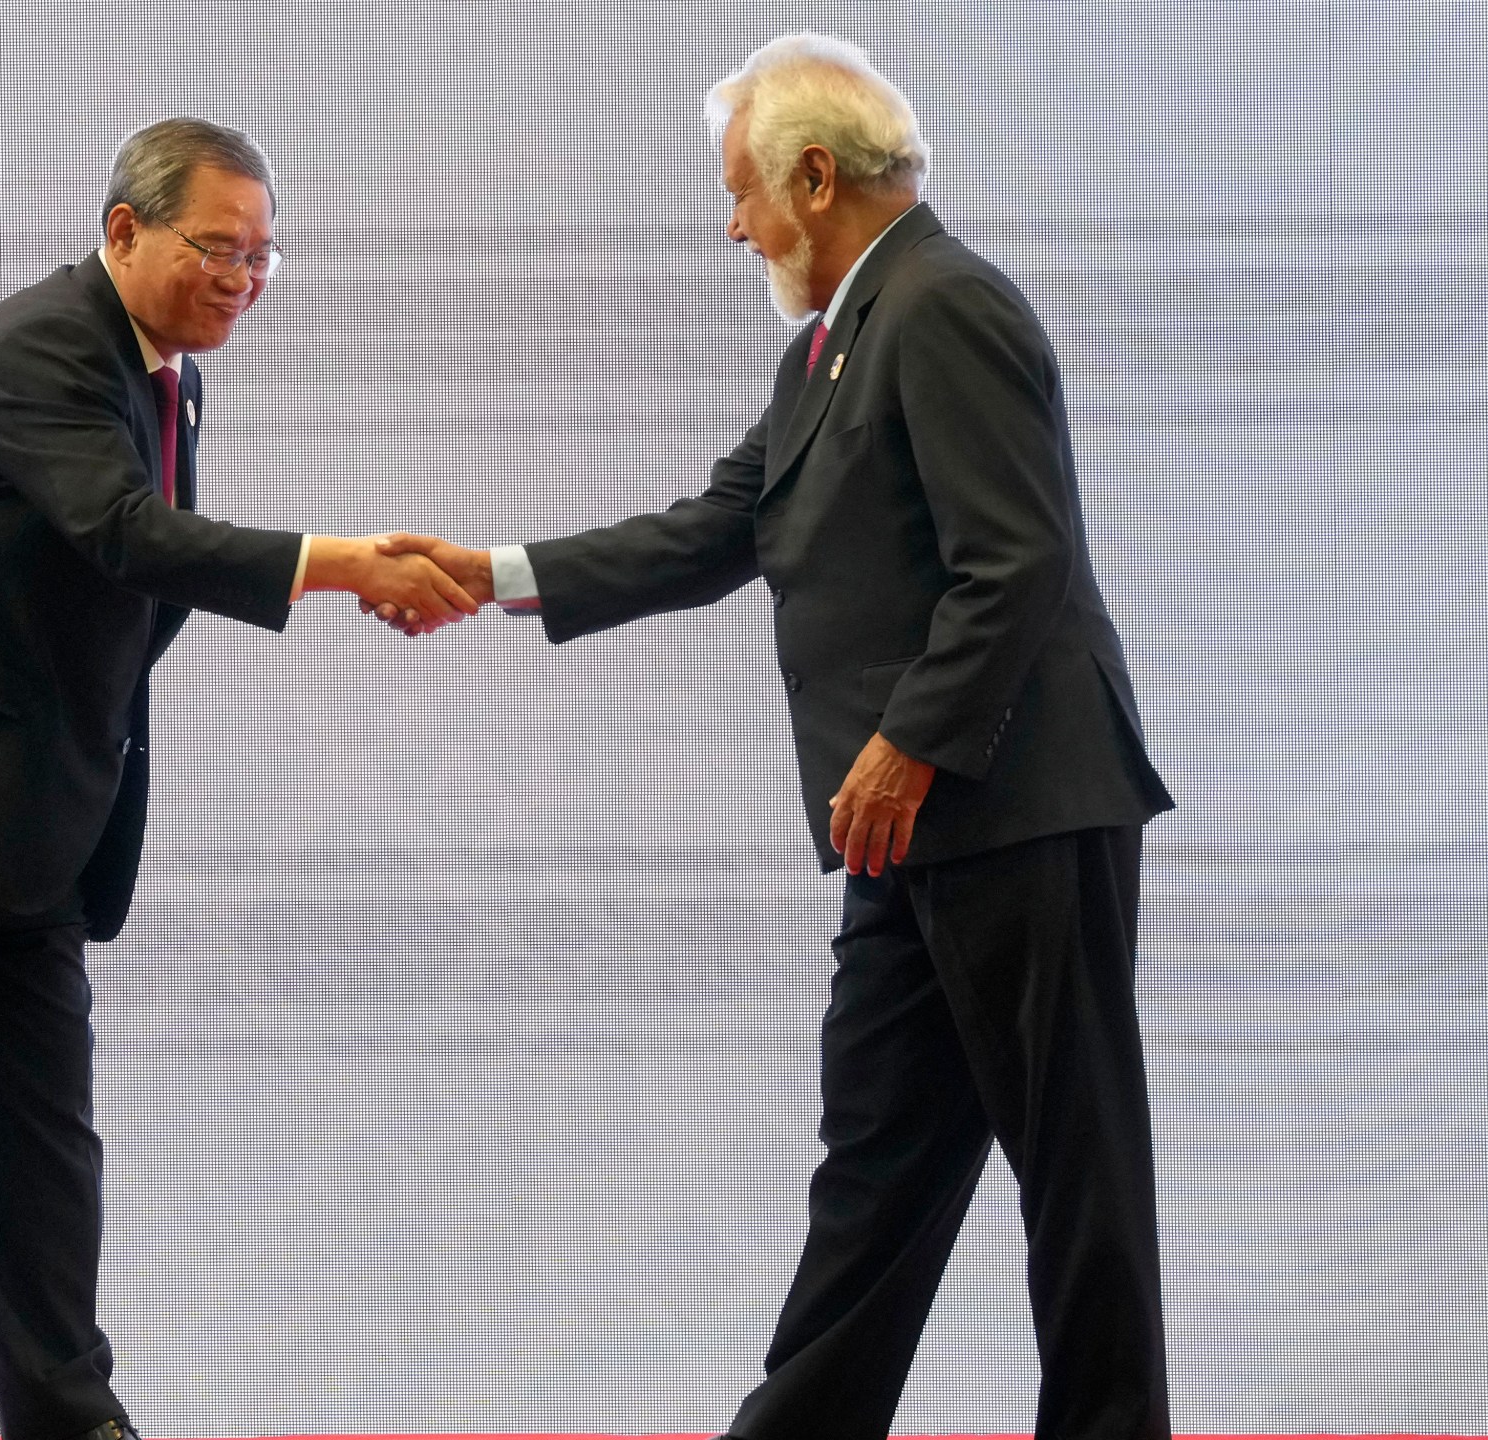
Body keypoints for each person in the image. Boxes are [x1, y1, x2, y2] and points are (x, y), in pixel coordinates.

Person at [377, 34, 1177, 1440]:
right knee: (874, 1170)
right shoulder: (827, 348)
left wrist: (908, 741)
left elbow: (1019, 558)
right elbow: (719, 527)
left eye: (741, 189)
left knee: (1078, 1175)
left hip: (1015, 807)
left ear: (816, 175)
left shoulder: (943, 303)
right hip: (908, 832)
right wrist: (491, 572)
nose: (733, 221)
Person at [0, 116, 477, 1440]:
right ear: (123, 228)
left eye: (263, 259)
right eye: (217, 249)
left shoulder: (173, 376)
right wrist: (340, 561)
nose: (241, 280)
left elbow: (123, 595)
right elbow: (125, 535)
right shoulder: (45, 340)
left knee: (41, 1174)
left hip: (25, 839)